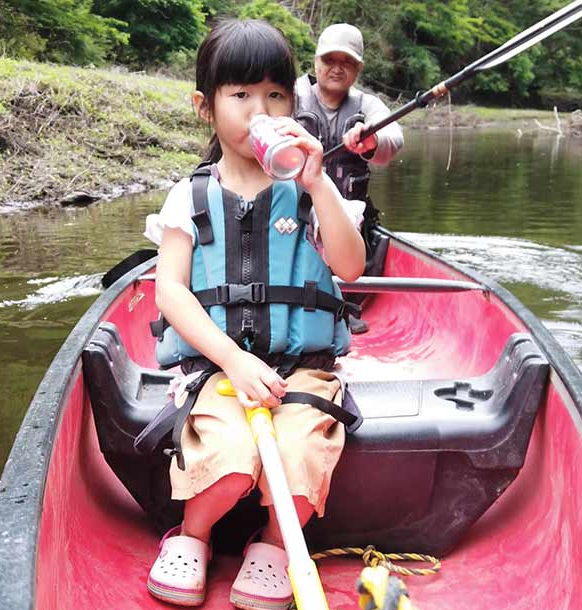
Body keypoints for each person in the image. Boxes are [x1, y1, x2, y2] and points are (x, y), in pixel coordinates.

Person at [141, 19, 366, 610]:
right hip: (218, 369)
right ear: (205, 106)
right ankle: (192, 535)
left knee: (297, 456)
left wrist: (321, 187)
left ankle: (271, 544)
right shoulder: (188, 197)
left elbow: (350, 267)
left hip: (303, 370)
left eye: (275, 95)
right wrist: (233, 361)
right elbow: (171, 293)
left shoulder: (309, 189)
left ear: (294, 105)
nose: (258, 110)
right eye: (240, 95)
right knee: (231, 461)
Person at [295, 24, 403, 333]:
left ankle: (345, 302)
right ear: (316, 61)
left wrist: (371, 142)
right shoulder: (290, 97)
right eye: (330, 60)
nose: (337, 68)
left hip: (349, 218)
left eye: (347, 62)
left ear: (358, 68)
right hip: (294, 215)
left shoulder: (368, 106)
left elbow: (393, 139)